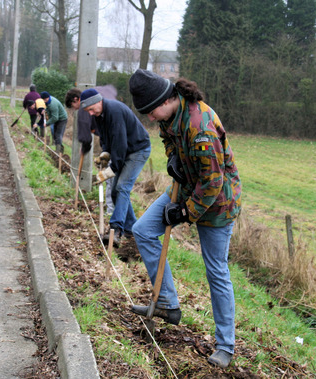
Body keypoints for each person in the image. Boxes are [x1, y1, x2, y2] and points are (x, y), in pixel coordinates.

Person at [128, 69, 242, 369]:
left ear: (168, 99)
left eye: (152, 111)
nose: (152, 118)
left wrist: (184, 212)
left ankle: (226, 346)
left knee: (215, 270)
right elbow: (168, 141)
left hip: (217, 204)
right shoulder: (168, 116)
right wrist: (174, 161)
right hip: (187, 186)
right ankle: (167, 303)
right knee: (142, 230)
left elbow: (213, 182)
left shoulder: (200, 126)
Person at [79, 88, 151, 248]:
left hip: (138, 150)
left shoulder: (114, 111)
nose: (90, 113)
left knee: (122, 187)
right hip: (125, 151)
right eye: (87, 111)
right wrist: (105, 153)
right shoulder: (99, 115)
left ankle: (115, 229)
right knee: (115, 192)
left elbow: (120, 142)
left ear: (98, 102)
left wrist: (112, 169)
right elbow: (105, 137)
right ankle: (132, 230)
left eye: (90, 109)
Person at [65, 86, 117, 214]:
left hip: (113, 142)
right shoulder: (93, 106)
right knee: (112, 181)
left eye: (72, 105)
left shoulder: (84, 109)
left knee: (112, 180)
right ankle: (111, 208)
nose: (74, 109)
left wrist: (84, 148)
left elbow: (85, 135)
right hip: (110, 140)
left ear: (76, 99)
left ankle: (111, 212)